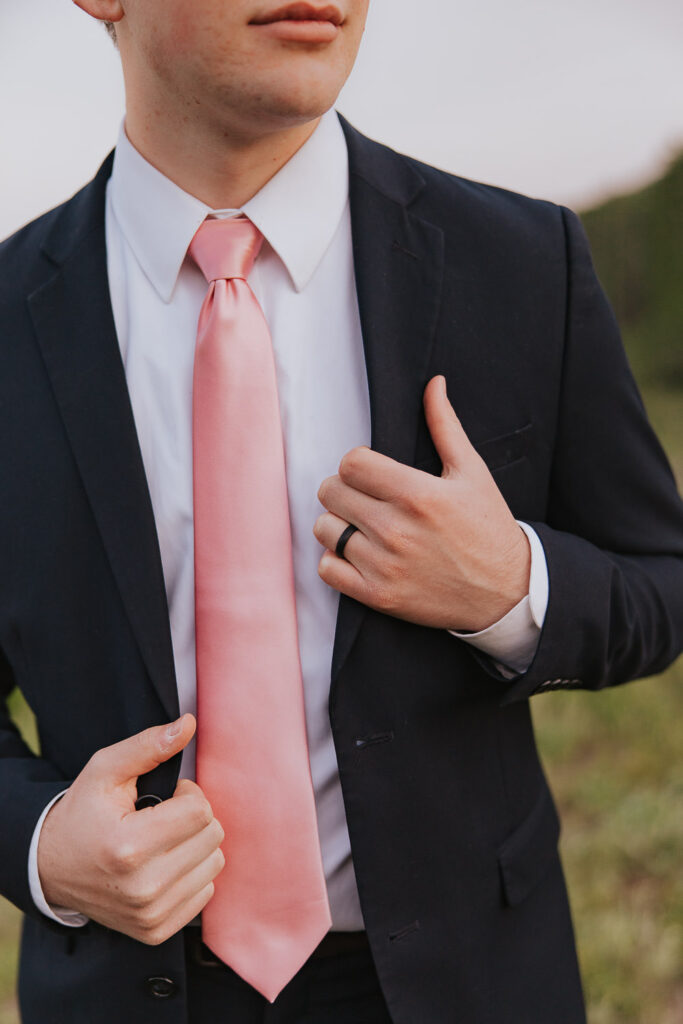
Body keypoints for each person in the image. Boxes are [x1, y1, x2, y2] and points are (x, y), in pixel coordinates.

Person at [1, 1, 682, 1021]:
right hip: (126, 988)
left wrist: (513, 588)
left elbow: (659, 581)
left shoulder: (523, 260)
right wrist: (41, 841)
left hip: (471, 984)